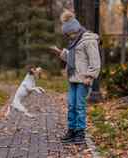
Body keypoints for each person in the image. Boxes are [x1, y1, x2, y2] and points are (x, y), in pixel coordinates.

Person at [49, 10, 101, 144]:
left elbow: (95, 61)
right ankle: (71, 130)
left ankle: (80, 132)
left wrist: (90, 76)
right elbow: (73, 59)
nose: (68, 36)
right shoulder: (73, 41)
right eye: (67, 34)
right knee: (71, 105)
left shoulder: (88, 40)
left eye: (69, 33)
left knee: (79, 106)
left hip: (83, 79)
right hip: (73, 78)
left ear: (75, 29)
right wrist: (60, 52)